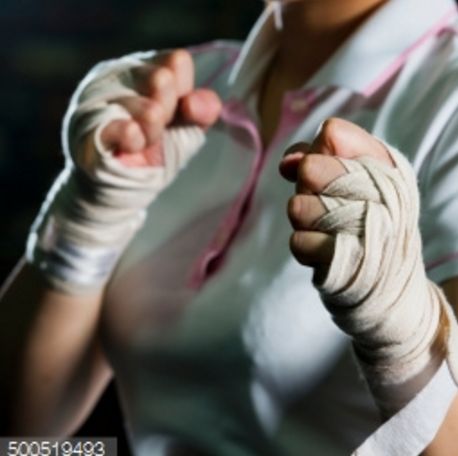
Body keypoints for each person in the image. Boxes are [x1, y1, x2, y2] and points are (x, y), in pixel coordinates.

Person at [2, 0, 458, 454]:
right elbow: (20, 440)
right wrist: (88, 212)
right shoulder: (188, 87)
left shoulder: (446, 102)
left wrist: (407, 334)